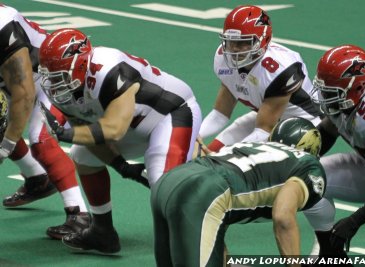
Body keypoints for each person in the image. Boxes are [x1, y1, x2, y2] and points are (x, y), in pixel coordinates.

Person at [38, 28, 202, 253]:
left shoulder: (111, 70)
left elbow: (114, 129)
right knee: (82, 155)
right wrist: (121, 166)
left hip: (170, 114)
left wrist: (63, 134)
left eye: (59, 74)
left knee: (161, 182)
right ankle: (102, 232)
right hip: (134, 124)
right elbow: (88, 135)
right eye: (49, 75)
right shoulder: (64, 87)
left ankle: (193, 243)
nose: (53, 84)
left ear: (79, 64)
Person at [151, 117, 325, 267]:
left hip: (168, 181)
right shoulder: (308, 165)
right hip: (205, 192)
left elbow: (216, 220)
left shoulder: (253, 146)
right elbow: (283, 216)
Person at [0, 4, 90, 240]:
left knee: (42, 138)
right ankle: (37, 179)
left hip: (51, 79)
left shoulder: (3, 26)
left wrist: (5, 147)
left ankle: (79, 215)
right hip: (11, 81)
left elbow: (24, 93)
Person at [309, 44, 365, 252]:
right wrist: (298, 158)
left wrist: (353, 221)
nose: (324, 95)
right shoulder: (345, 100)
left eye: (331, 91)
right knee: (310, 178)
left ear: (358, 88)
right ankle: (328, 255)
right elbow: (328, 129)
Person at [198, 5, 322, 153]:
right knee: (216, 145)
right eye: (231, 41)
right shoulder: (223, 58)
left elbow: (263, 131)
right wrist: (194, 136)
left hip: (302, 126)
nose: (235, 49)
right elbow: (220, 115)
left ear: (264, 40)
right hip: (269, 116)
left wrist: (223, 156)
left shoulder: (279, 69)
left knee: (230, 162)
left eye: (243, 42)